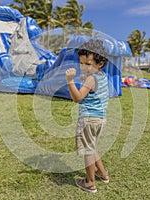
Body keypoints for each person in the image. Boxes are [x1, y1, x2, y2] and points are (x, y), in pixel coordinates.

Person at [65, 39, 110, 193]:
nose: (84, 67)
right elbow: (95, 87)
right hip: (100, 119)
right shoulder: (101, 76)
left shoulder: (91, 79)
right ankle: (103, 174)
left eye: (88, 64)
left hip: (88, 120)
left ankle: (89, 182)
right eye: (82, 63)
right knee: (92, 147)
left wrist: (70, 81)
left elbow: (77, 97)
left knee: (88, 150)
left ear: (100, 64)